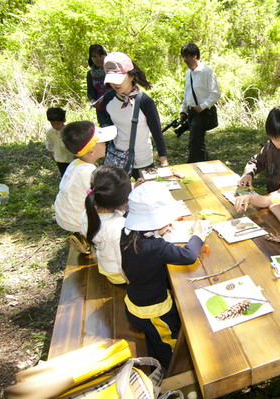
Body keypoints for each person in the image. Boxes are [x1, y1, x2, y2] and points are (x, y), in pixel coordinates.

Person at [121, 182, 204, 370]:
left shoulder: (126, 234)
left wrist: (160, 231)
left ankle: (155, 352)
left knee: (153, 338)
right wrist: (197, 234)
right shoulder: (156, 248)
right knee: (168, 343)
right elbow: (189, 255)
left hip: (134, 301)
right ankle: (170, 370)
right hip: (154, 312)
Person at [101, 52, 169, 180]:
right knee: (120, 198)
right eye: (111, 80)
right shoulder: (109, 98)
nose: (115, 85)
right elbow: (110, 128)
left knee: (146, 195)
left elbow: (157, 132)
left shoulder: (144, 101)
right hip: (118, 159)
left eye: (119, 79)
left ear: (131, 76)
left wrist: (163, 161)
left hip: (142, 159)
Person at [54, 121, 117, 252]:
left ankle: (83, 235)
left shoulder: (75, 163)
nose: (105, 143)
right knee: (116, 214)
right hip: (75, 221)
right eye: (102, 141)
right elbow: (107, 197)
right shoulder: (89, 172)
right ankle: (88, 237)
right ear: (92, 151)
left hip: (63, 214)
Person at [83, 165, 141, 284]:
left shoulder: (88, 213)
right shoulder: (119, 226)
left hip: (106, 265)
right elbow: (124, 262)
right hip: (119, 275)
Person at [179, 43, 221, 163]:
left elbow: (216, 93)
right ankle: (204, 164)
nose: (184, 60)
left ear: (194, 56)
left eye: (186, 56)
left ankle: (192, 165)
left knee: (194, 143)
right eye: (183, 56)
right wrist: (184, 110)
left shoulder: (207, 72)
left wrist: (202, 107)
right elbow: (187, 93)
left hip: (202, 113)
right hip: (191, 112)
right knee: (197, 142)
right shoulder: (189, 73)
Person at [86, 44, 113, 127]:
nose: (98, 59)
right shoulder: (90, 74)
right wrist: (93, 101)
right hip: (101, 110)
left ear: (105, 55)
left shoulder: (112, 70)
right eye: (94, 56)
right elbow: (90, 92)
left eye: (100, 55)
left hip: (116, 107)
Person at [45, 107, 74, 177]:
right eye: (53, 124)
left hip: (72, 158)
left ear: (63, 121)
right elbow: (49, 143)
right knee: (64, 175)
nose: (55, 126)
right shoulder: (50, 132)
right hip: (59, 158)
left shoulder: (69, 130)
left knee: (73, 175)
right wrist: (51, 152)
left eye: (58, 124)